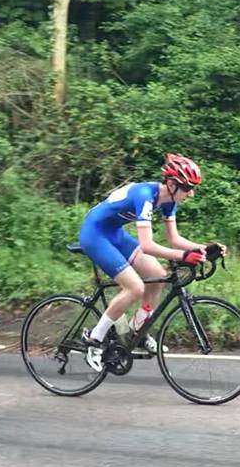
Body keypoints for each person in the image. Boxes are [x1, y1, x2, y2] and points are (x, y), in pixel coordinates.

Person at [78, 153, 223, 370]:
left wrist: (204, 248)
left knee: (158, 276)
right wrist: (183, 256)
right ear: (172, 184)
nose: (191, 193)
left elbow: (175, 239)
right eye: (187, 188)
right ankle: (94, 339)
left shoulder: (169, 200)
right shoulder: (145, 195)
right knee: (134, 287)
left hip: (114, 234)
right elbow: (147, 245)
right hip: (94, 235)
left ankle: (138, 327)